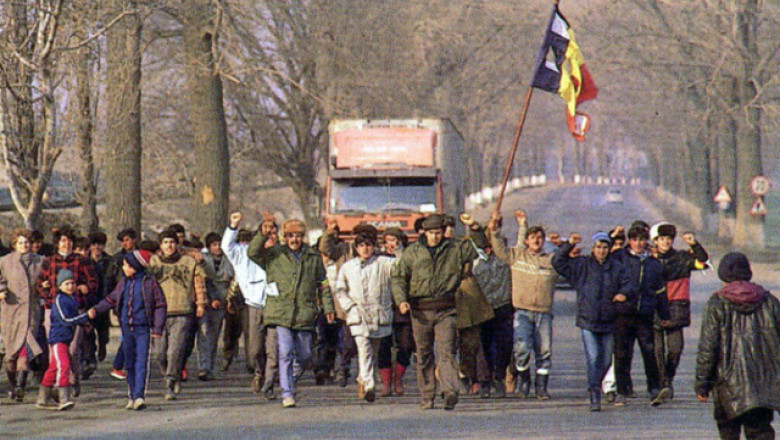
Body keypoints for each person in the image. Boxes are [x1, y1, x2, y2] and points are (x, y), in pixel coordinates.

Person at [391, 214, 485, 410]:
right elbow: (399, 278)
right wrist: (401, 301)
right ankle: (427, 394)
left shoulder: (455, 248)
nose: (435, 237)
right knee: (424, 354)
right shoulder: (412, 253)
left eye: (439, 233)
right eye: (432, 233)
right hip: (420, 311)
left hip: (446, 309)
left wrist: (474, 227)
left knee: (447, 351)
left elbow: (480, 246)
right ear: (424, 232)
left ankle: (450, 390)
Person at [248, 218, 335, 408]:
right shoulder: (274, 255)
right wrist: (263, 234)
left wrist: (328, 308)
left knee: (304, 357)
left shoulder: (313, 257)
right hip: (280, 312)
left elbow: (323, 284)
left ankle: (289, 379)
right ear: (284, 237)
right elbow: (252, 253)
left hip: (304, 312)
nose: (294, 239)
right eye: (290, 236)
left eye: (297, 236)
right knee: (285, 352)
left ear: (302, 237)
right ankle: (287, 392)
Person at [696, 252, 780, 440]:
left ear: (723, 275)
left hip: (727, 385)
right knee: (760, 431)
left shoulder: (717, 303)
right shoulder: (770, 301)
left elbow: (708, 348)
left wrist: (702, 384)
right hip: (762, 385)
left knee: (728, 432)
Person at [554, 232, 631, 411]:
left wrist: (624, 294)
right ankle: (594, 393)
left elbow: (630, 283)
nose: (601, 251)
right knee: (594, 356)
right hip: (588, 320)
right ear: (593, 248)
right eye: (598, 247)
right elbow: (558, 263)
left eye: (605, 247)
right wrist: (568, 245)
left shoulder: (617, 268)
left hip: (609, 320)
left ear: (609, 249)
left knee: (605, 360)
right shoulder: (582, 265)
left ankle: (595, 383)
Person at [488, 209, 558, 400]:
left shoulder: (551, 260)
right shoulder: (518, 257)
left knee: (544, 351)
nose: (536, 240)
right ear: (526, 241)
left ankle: (542, 387)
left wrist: (567, 246)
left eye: (539, 237)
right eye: (532, 237)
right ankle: (524, 380)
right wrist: (494, 231)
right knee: (521, 348)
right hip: (522, 312)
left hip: (543, 313)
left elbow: (567, 264)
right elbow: (500, 250)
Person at [88, 250, 166, 410]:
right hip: (126, 328)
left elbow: (160, 305)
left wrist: (157, 328)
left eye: (126, 265)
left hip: (143, 328)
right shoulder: (123, 283)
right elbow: (111, 299)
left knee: (141, 362)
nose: (123, 267)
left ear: (135, 266)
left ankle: (139, 395)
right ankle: (131, 395)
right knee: (129, 362)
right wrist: (96, 309)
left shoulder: (149, 283)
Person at [610, 224, 670, 406]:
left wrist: (664, 313)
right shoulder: (619, 258)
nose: (638, 243)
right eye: (635, 239)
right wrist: (612, 236)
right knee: (621, 354)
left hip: (644, 315)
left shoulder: (653, 263)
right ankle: (622, 390)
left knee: (649, 352)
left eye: (642, 240)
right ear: (629, 240)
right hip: (623, 314)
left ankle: (653, 390)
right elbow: (601, 253)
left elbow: (660, 291)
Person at [334, 226, 396, 402]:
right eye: (361, 245)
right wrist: (350, 307)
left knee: (373, 351)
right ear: (356, 248)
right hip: (358, 314)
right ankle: (369, 384)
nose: (365, 249)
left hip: (378, 314)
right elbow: (339, 289)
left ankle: (363, 378)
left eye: (368, 245)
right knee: (364, 348)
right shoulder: (348, 267)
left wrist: (396, 250)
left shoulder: (383, 263)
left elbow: (401, 266)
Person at [35, 226, 98, 397]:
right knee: (54, 348)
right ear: (57, 243)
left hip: (75, 308)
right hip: (53, 310)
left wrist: (85, 287)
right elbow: (39, 284)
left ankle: (73, 378)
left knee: (72, 348)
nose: (66, 244)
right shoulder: (49, 261)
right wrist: (46, 291)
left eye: (69, 240)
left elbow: (94, 282)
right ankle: (57, 385)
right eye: (63, 240)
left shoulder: (81, 260)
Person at [649, 221, 709, 401]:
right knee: (657, 351)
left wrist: (694, 244)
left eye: (668, 239)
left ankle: (668, 378)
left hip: (676, 309)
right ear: (655, 241)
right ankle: (663, 384)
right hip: (654, 309)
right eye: (662, 239)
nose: (666, 242)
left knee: (675, 349)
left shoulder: (682, 258)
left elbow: (702, 262)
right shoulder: (649, 260)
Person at [148, 229, 207, 400]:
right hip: (158, 313)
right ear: (160, 245)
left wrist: (200, 304)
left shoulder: (188, 262)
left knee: (175, 350)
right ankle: (169, 372)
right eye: (165, 242)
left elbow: (198, 283)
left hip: (182, 311)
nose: (169, 246)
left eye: (172, 242)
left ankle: (170, 380)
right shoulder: (154, 263)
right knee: (159, 352)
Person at [222, 213, 275, 399]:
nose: (270, 238)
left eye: (273, 235)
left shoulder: (280, 254)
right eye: (266, 234)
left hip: (276, 307)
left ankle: (269, 381)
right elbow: (226, 246)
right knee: (254, 349)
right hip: (253, 305)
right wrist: (233, 226)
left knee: (274, 348)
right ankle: (259, 372)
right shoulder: (243, 254)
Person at [0, 229, 44, 402]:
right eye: (20, 243)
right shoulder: (4, 262)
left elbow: (46, 278)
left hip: (30, 312)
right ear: (14, 245)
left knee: (25, 349)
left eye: (26, 242)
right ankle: (12, 384)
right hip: (11, 311)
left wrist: (44, 286)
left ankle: (20, 387)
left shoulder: (39, 261)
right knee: (11, 355)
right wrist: (2, 290)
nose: (24, 245)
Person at [36, 269, 90, 411]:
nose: (70, 286)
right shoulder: (60, 300)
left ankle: (43, 397)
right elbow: (66, 320)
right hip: (58, 339)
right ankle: (63, 397)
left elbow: (73, 318)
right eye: (67, 284)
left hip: (66, 339)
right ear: (60, 286)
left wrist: (85, 324)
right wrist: (85, 317)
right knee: (64, 365)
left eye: (72, 283)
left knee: (53, 367)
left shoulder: (72, 299)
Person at [474, 227, 512, 398]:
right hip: (482, 307)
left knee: (504, 345)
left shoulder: (505, 256)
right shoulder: (475, 259)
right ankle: (484, 381)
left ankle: (499, 378)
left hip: (503, 305)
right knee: (483, 346)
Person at [377, 227, 414, 396]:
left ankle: (398, 378)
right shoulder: (377, 258)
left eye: (394, 240)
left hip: (404, 307)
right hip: (383, 306)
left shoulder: (409, 256)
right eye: (388, 241)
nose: (391, 244)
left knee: (406, 345)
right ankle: (386, 383)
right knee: (383, 346)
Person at [197, 232, 233, 381]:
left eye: (219, 244)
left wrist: (227, 300)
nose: (217, 248)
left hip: (222, 302)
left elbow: (233, 281)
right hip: (207, 300)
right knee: (204, 333)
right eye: (214, 245)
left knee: (214, 335)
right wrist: (211, 298)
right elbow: (204, 281)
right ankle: (203, 367)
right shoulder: (203, 261)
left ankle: (209, 366)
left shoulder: (229, 260)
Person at [105, 228, 138, 381]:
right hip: (123, 300)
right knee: (128, 335)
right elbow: (109, 280)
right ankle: (118, 365)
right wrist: (112, 301)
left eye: (127, 239)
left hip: (139, 299)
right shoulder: (117, 259)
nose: (125, 243)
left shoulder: (140, 256)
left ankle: (125, 364)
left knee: (134, 335)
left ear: (134, 240)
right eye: (123, 240)